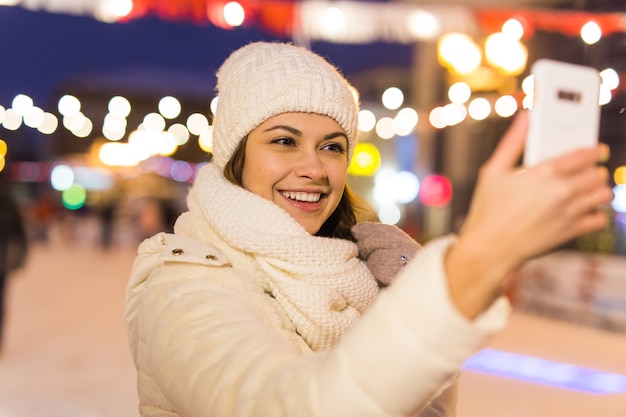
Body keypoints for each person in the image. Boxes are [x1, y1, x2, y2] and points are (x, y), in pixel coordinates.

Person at [125, 41, 612, 417]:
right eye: (284, 141)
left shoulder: (363, 267)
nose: (314, 168)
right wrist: (473, 263)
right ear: (236, 154)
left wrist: (401, 291)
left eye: (332, 147)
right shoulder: (185, 282)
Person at [0, 181, 28, 351]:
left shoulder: (10, 209)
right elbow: (21, 237)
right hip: (3, 264)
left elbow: (20, 237)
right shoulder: (11, 208)